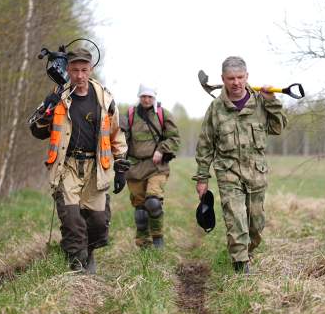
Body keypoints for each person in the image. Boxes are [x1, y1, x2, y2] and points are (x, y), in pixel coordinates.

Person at [30, 48, 128, 274]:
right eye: (75, 70)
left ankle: (88, 251)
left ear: (91, 70)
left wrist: (121, 164)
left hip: (96, 168)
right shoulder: (58, 97)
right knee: (72, 220)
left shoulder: (104, 98)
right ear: (68, 70)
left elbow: (116, 133)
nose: (80, 75)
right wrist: (48, 108)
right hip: (67, 167)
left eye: (84, 70)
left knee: (98, 223)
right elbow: (36, 130)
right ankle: (77, 264)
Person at [193, 56, 287, 274]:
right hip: (228, 172)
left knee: (256, 223)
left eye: (240, 77)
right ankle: (240, 264)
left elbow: (278, 127)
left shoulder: (261, 102)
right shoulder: (216, 108)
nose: (235, 82)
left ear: (247, 77)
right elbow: (205, 144)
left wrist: (272, 100)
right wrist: (202, 178)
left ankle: (248, 250)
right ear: (222, 79)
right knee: (235, 218)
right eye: (230, 78)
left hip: (256, 171)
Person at [120, 84, 181, 249]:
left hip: (157, 167)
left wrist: (161, 150)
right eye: (143, 96)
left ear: (154, 97)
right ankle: (144, 245)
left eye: (150, 97)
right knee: (140, 210)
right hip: (135, 168)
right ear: (139, 97)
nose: (146, 99)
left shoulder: (163, 114)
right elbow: (120, 139)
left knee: (153, 202)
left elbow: (174, 138)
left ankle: (158, 236)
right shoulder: (130, 115)